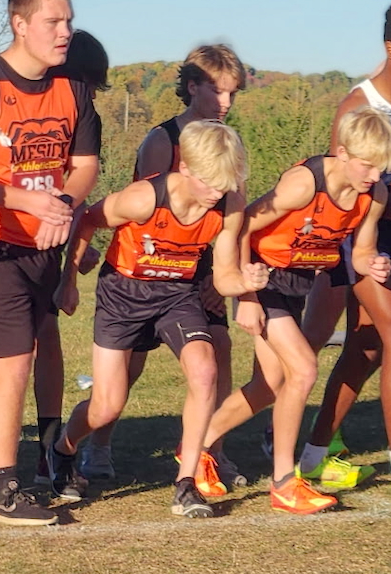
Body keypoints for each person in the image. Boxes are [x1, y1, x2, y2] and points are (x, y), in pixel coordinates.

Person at [0, 0, 101, 526]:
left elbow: (85, 164)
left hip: (42, 245)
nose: (65, 31)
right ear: (20, 23)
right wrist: (26, 202)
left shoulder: (72, 86)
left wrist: (61, 202)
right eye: (53, 21)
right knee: (16, 359)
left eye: (69, 21)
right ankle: (1, 488)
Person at [50, 120, 265, 519]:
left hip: (176, 296)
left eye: (224, 185)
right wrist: (68, 282)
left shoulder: (228, 206)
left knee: (205, 371)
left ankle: (186, 483)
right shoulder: (144, 198)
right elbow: (88, 221)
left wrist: (246, 282)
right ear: (185, 167)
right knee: (107, 406)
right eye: (210, 184)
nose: (216, 194)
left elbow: (223, 275)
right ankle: (63, 447)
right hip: (123, 293)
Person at [203, 107, 391, 513]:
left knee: (268, 386)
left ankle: (195, 448)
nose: (375, 176)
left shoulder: (373, 195)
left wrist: (374, 262)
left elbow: (360, 252)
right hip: (263, 278)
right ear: (342, 152)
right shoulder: (303, 184)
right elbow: (242, 225)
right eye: (368, 165)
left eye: (382, 168)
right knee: (304, 369)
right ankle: (284, 483)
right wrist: (247, 296)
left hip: (297, 285)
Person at [82, 45, 248, 491]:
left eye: (233, 93)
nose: (226, 103)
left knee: (216, 352)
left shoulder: (226, 146)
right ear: (192, 87)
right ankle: (98, 444)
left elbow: (230, 219)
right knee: (129, 368)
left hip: (201, 267)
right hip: (150, 267)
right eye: (217, 91)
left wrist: (221, 277)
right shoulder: (163, 141)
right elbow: (151, 212)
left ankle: (211, 453)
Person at [299, 1, 391, 501]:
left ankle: (313, 455)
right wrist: (362, 246)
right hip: (363, 239)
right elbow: (342, 191)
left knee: (365, 349)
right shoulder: (357, 107)